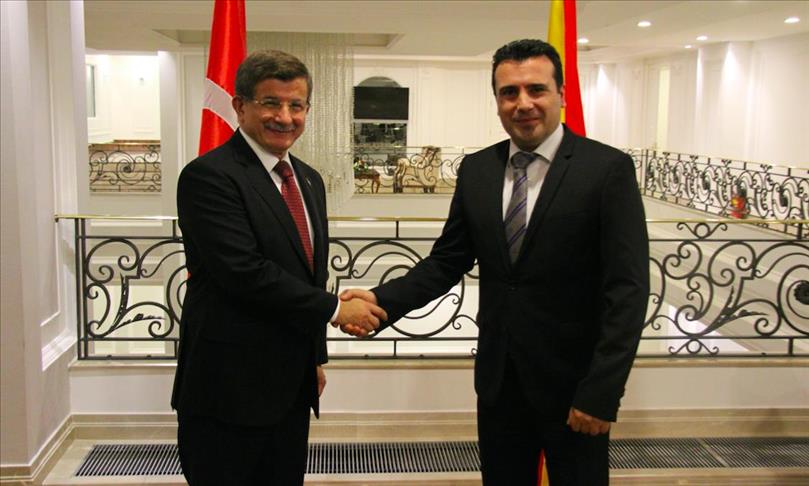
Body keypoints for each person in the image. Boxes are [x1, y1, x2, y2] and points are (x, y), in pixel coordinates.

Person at [339, 39, 649, 485]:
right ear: (497, 101)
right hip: (500, 384)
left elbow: (628, 289)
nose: (523, 103)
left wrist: (602, 390)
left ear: (561, 94)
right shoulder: (477, 170)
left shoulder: (606, 169)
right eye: (509, 92)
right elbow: (446, 261)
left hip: (574, 387)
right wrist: (380, 300)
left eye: (536, 89)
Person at [172, 50, 385, 485]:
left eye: (296, 105)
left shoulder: (308, 179)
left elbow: (310, 275)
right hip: (227, 391)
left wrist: (314, 358)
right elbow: (244, 272)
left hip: (290, 388)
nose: (285, 117)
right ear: (240, 106)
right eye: (271, 103)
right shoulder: (209, 176)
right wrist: (336, 309)